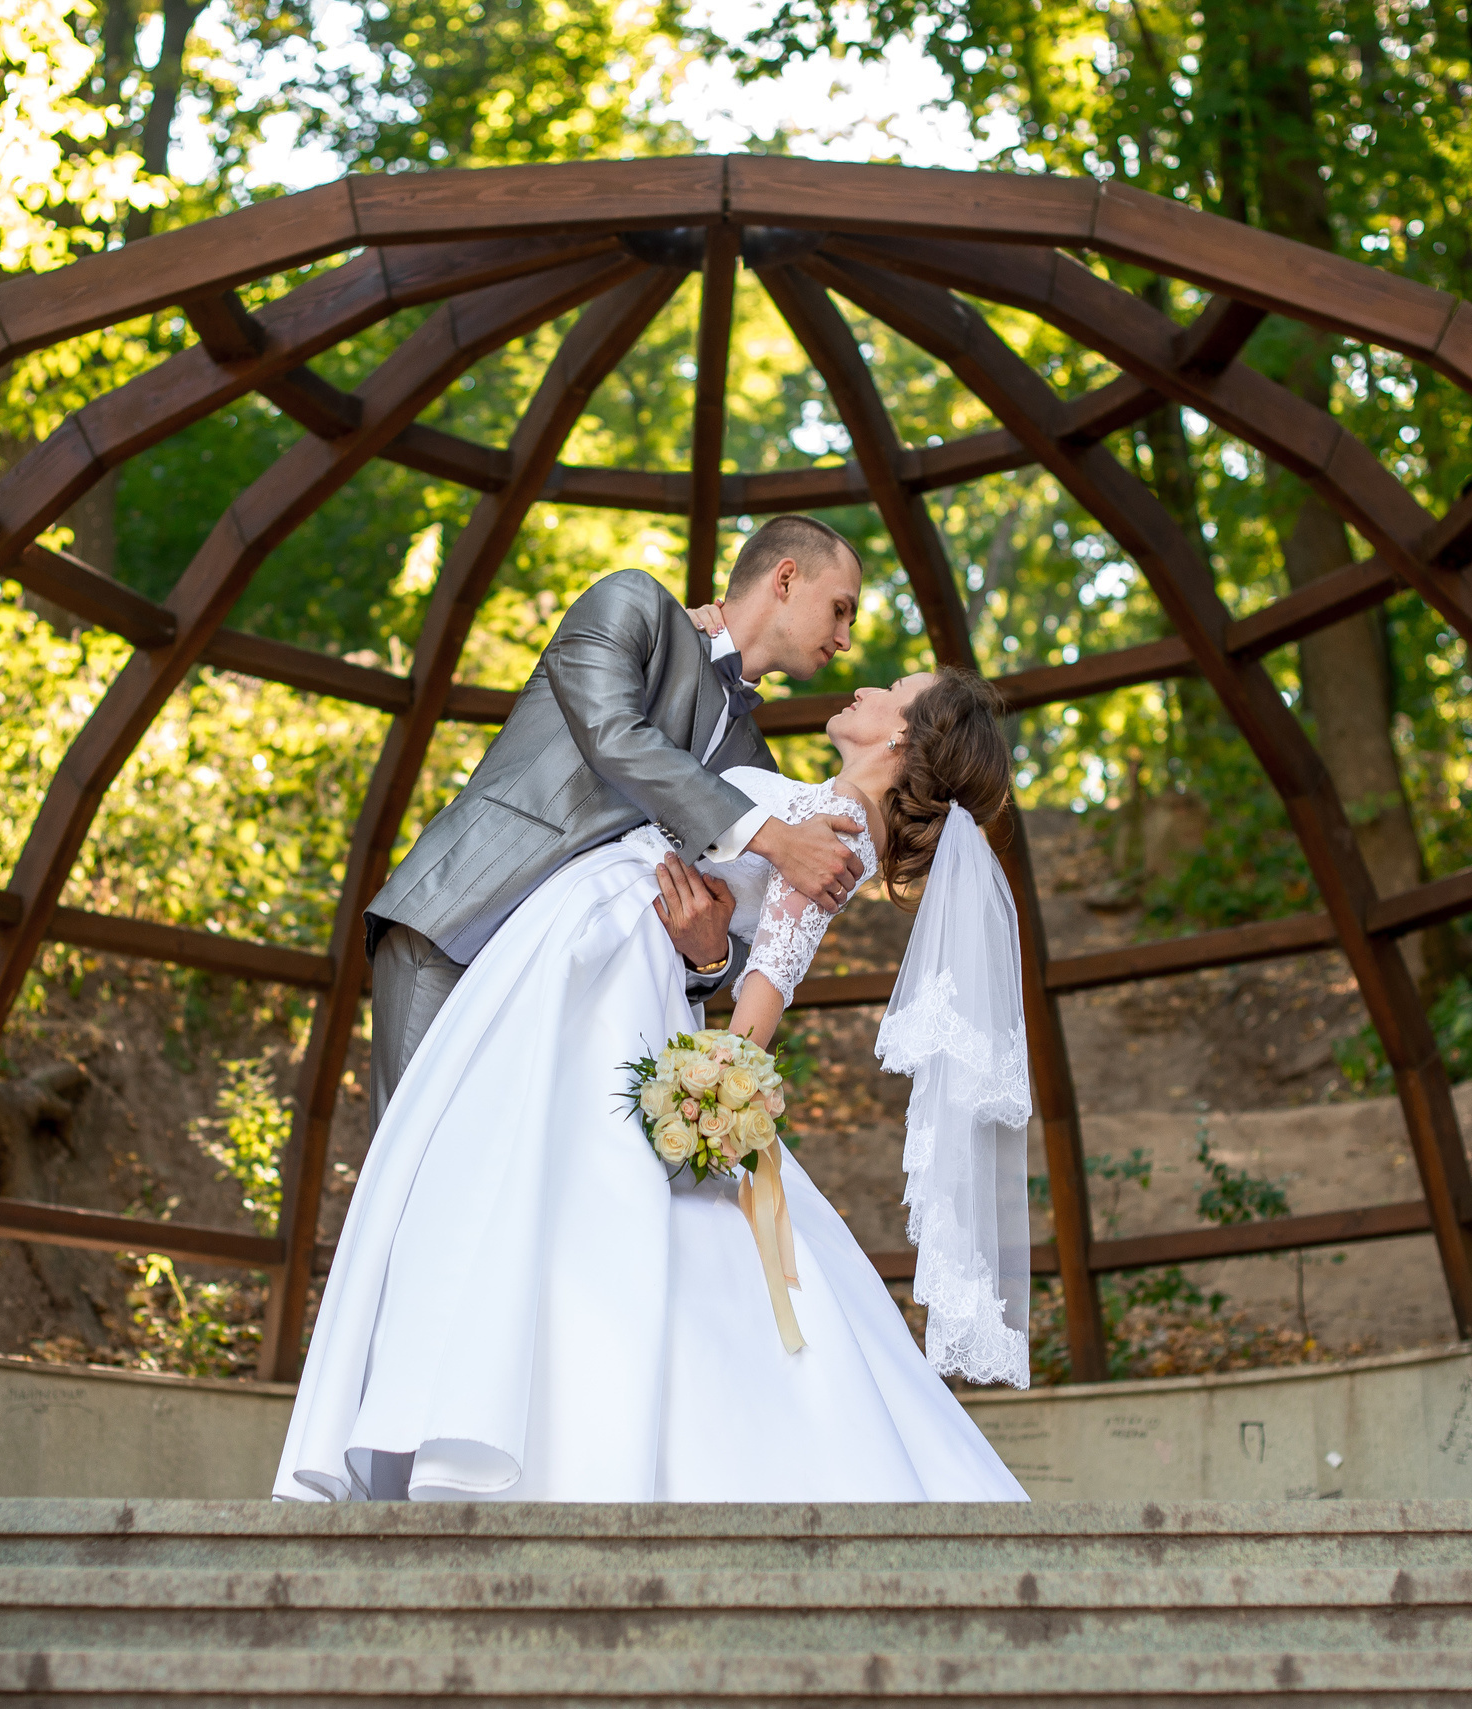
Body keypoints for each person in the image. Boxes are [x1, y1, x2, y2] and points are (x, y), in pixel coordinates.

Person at [275, 647, 1036, 1502]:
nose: (866, 685)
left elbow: (773, 974)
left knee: (554, 1180)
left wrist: (716, 1093)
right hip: (610, 952)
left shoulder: (841, 823)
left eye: (893, 689)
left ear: (902, 734)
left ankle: (523, 1422)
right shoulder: (832, 807)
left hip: (615, 973)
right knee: (551, 1180)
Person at [360, 515, 872, 1128]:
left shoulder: (757, 769)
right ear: (785, 579)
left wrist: (709, 957)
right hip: (467, 923)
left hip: (572, 995)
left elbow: (742, 934)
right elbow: (613, 736)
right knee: (417, 1163)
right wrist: (774, 838)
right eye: (840, 610)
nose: (845, 639)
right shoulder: (635, 603)